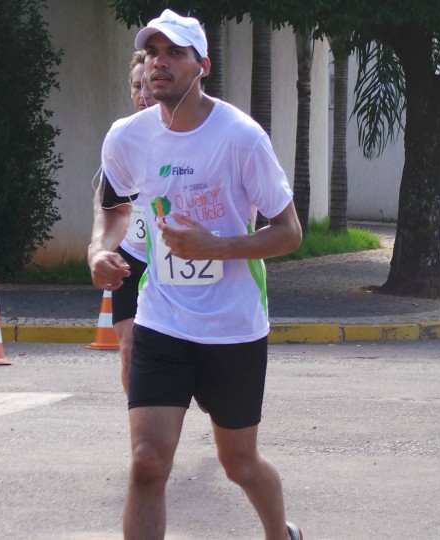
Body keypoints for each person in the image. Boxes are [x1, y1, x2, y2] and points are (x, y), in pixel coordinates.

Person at [87, 9, 304, 540]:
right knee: (146, 462)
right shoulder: (127, 137)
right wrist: (99, 249)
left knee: (240, 464)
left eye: (175, 53)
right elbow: (114, 206)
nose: (160, 63)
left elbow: (289, 232)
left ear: (201, 65)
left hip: (233, 328)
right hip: (162, 322)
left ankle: (283, 534)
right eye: (153, 53)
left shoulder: (241, 137)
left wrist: (218, 246)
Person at [93, 50, 152, 395]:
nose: (143, 94)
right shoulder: (122, 139)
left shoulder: (188, 136)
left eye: (148, 85)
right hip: (131, 257)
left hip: (176, 261)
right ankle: (143, 434)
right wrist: (99, 249)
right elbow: (106, 202)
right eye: (135, 86)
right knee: (129, 348)